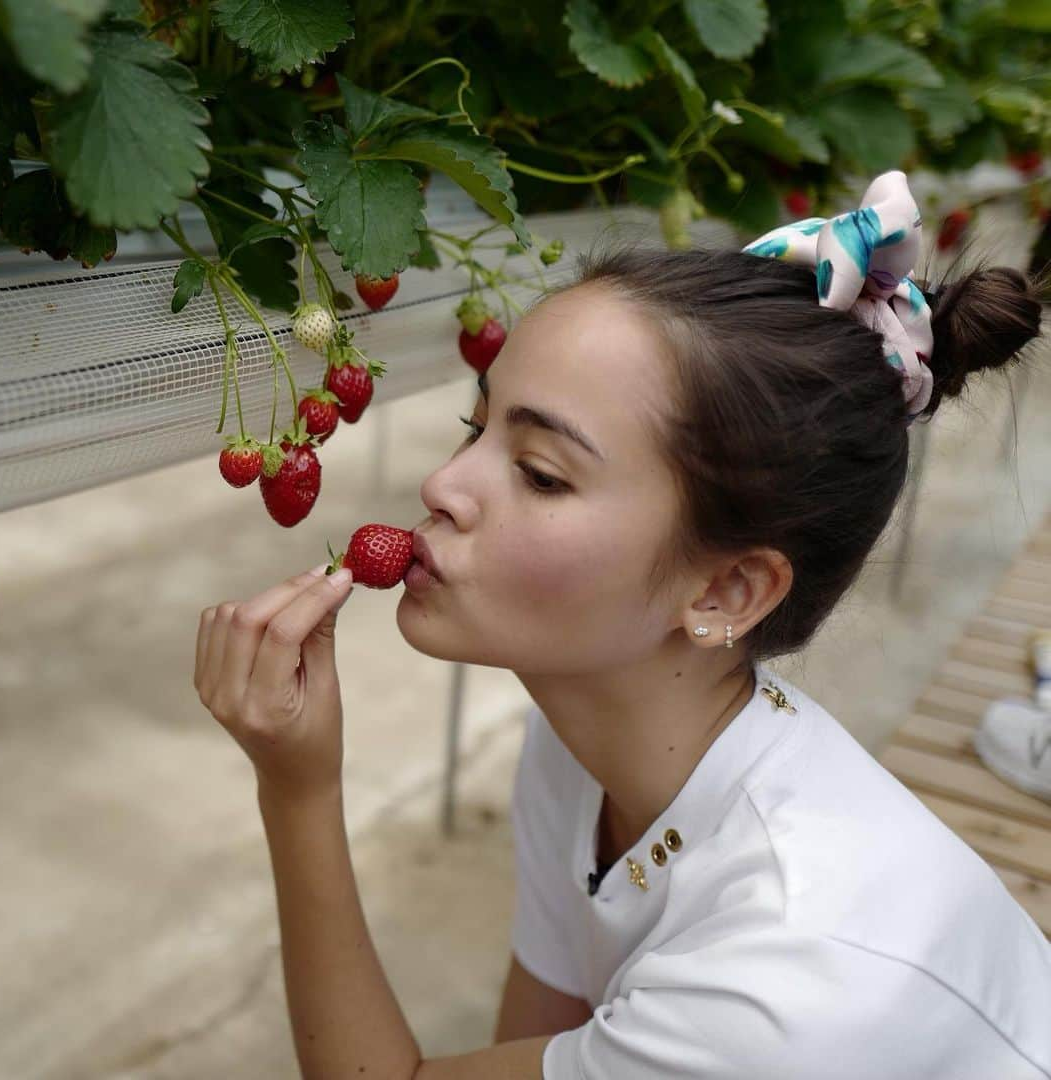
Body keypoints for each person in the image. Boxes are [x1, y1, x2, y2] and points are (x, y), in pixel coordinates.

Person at [195, 169, 1051, 1078]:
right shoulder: (584, 753)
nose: (442, 486)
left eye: (540, 471)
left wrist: (297, 793)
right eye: (472, 425)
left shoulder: (783, 990)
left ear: (727, 593)